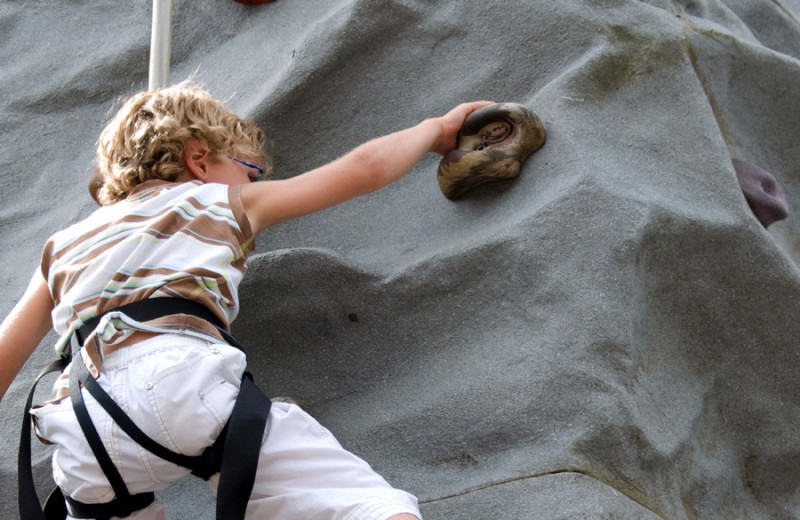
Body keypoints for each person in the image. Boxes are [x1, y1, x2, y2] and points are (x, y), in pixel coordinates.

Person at [0, 81, 491, 520]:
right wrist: (437, 129)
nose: (254, 185)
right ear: (198, 160)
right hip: (179, 379)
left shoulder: (61, 246)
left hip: (82, 425)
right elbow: (363, 170)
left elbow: (5, 358)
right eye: (251, 172)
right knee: (356, 500)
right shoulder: (216, 201)